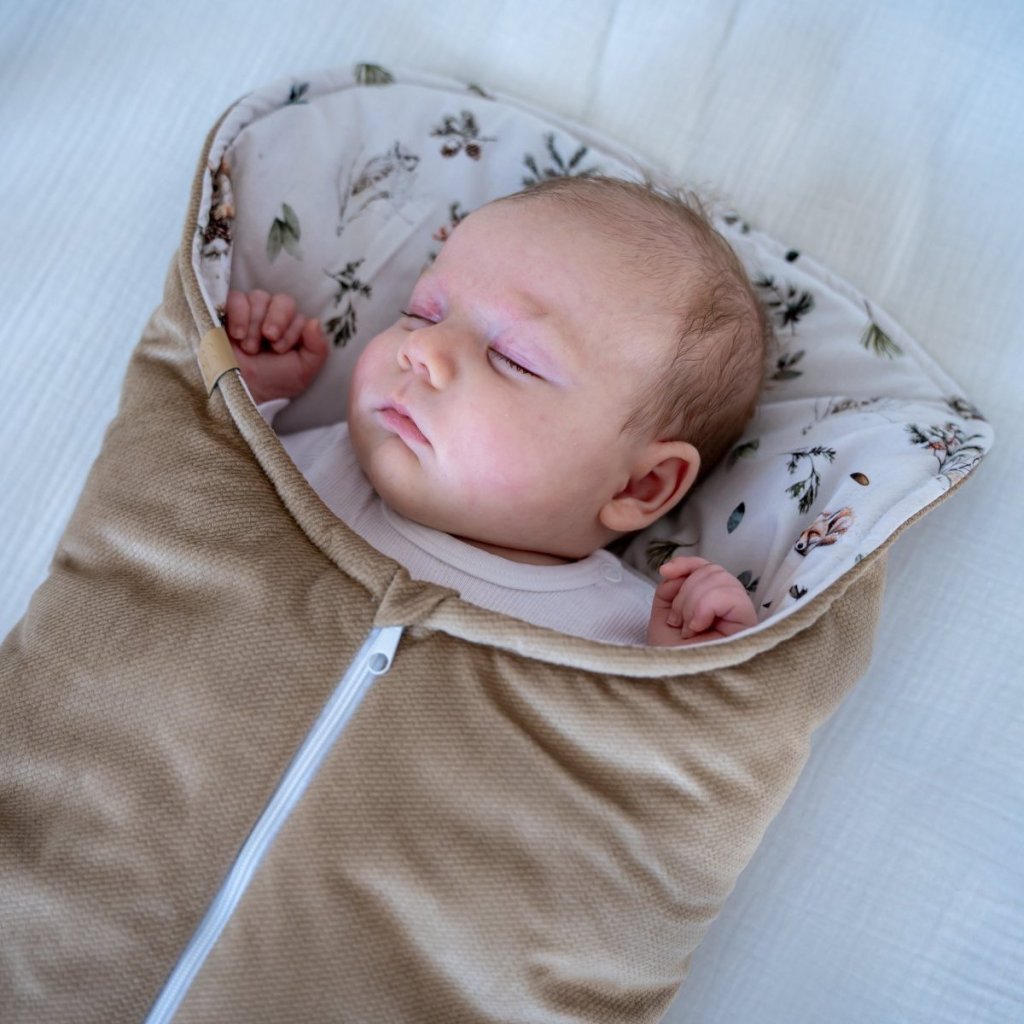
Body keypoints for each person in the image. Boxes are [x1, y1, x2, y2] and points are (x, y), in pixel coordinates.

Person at [224, 176, 770, 645]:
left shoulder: (620, 639)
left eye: (513, 359)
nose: (421, 348)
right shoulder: (301, 465)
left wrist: (686, 671)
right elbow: (192, 485)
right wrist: (244, 393)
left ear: (641, 486)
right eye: (422, 312)